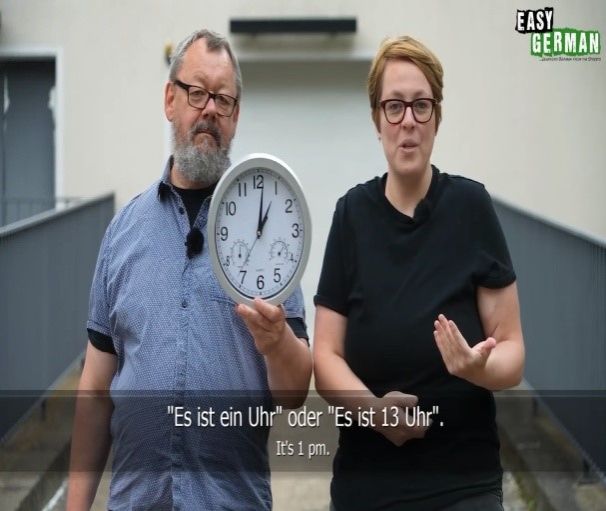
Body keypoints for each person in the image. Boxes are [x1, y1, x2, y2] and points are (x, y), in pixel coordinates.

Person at [66, 29, 312, 511]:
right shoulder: (123, 233)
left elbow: (295, 391)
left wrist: (277, 341)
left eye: (223, 99)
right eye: (197, 93)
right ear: (170, 100)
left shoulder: (272, 232)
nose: (210, 109)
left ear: (236, 115)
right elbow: (95, 391)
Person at [313, 35, 525, 511]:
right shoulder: (351, 215)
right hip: (367, 486)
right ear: (377, 120)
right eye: (394, 106)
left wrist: (479, 368)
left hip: (463, 485)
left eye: (421, 105)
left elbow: (512, 351)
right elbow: (325, 357)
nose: (407, 120)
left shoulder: (471, 208)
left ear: (436, 117)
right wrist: (374, 412)